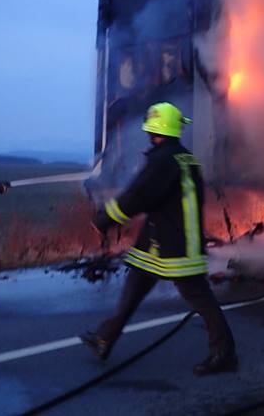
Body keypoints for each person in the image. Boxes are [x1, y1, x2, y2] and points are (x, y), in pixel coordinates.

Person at [80, 102, 237, 375]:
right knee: (134, 286)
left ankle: (224, 353)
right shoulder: (185, 157)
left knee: (199, 297)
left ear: (154, 131)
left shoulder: (162, 160)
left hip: (176, 242)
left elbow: (139, 195)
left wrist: (105, 219)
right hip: (161, 238)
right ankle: (105, 339)